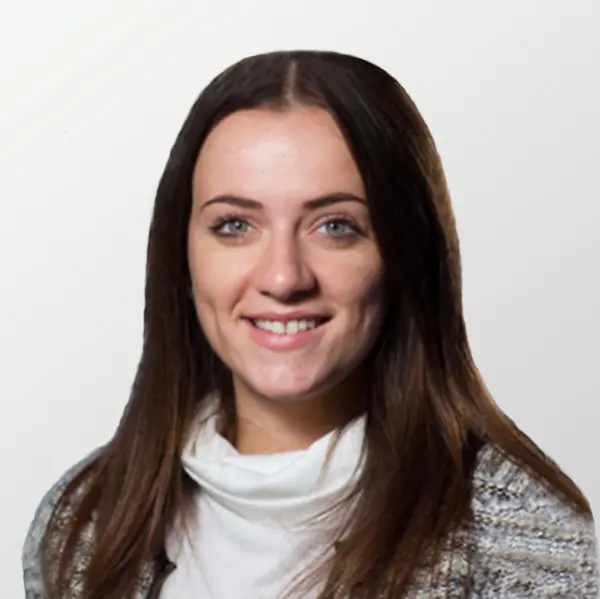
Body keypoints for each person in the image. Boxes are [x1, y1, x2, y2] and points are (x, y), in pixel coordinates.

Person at [22, 50, 599, 599]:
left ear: (405, 253)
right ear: (182, 255)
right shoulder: (81, 523)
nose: (283, 276)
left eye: (335, 226)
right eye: (234, 225)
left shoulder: (523, 542)